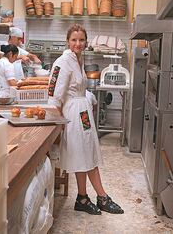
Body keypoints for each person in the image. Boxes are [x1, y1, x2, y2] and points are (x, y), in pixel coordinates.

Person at [48, 24, 124, 215]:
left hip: (82, 113)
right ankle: (102, 197)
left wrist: (90, 98)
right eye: (74, 40)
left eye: (81, 40)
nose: (78, 43)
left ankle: (82, 197)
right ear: (67, 41)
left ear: (86, 42)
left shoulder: (78, 60)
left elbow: (78, 89)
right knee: (86, 155)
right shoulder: (62, 62)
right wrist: (59, 124)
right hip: (73, 115)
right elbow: (55, 95)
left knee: (85, 154)